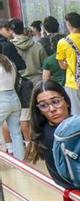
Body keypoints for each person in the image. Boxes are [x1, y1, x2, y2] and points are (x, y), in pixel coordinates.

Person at [2, 19, 44, 153]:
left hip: (11, 91)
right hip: (30, 87)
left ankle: (12, 149)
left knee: (19, 122)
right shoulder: (36, 46)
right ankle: (27, 152)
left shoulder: (9, 47)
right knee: (25, 121)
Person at [27, 80, 74, 188]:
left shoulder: (79, 124)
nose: (52, 109)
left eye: (56, 102)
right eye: (43, 105)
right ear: (39, 110)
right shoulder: (51, 135)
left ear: (66, 101)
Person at [0, 55, 19, 156]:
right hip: (14, 97)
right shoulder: (9, 62)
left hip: (2, 98)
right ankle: (21, 161)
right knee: (16, 134)